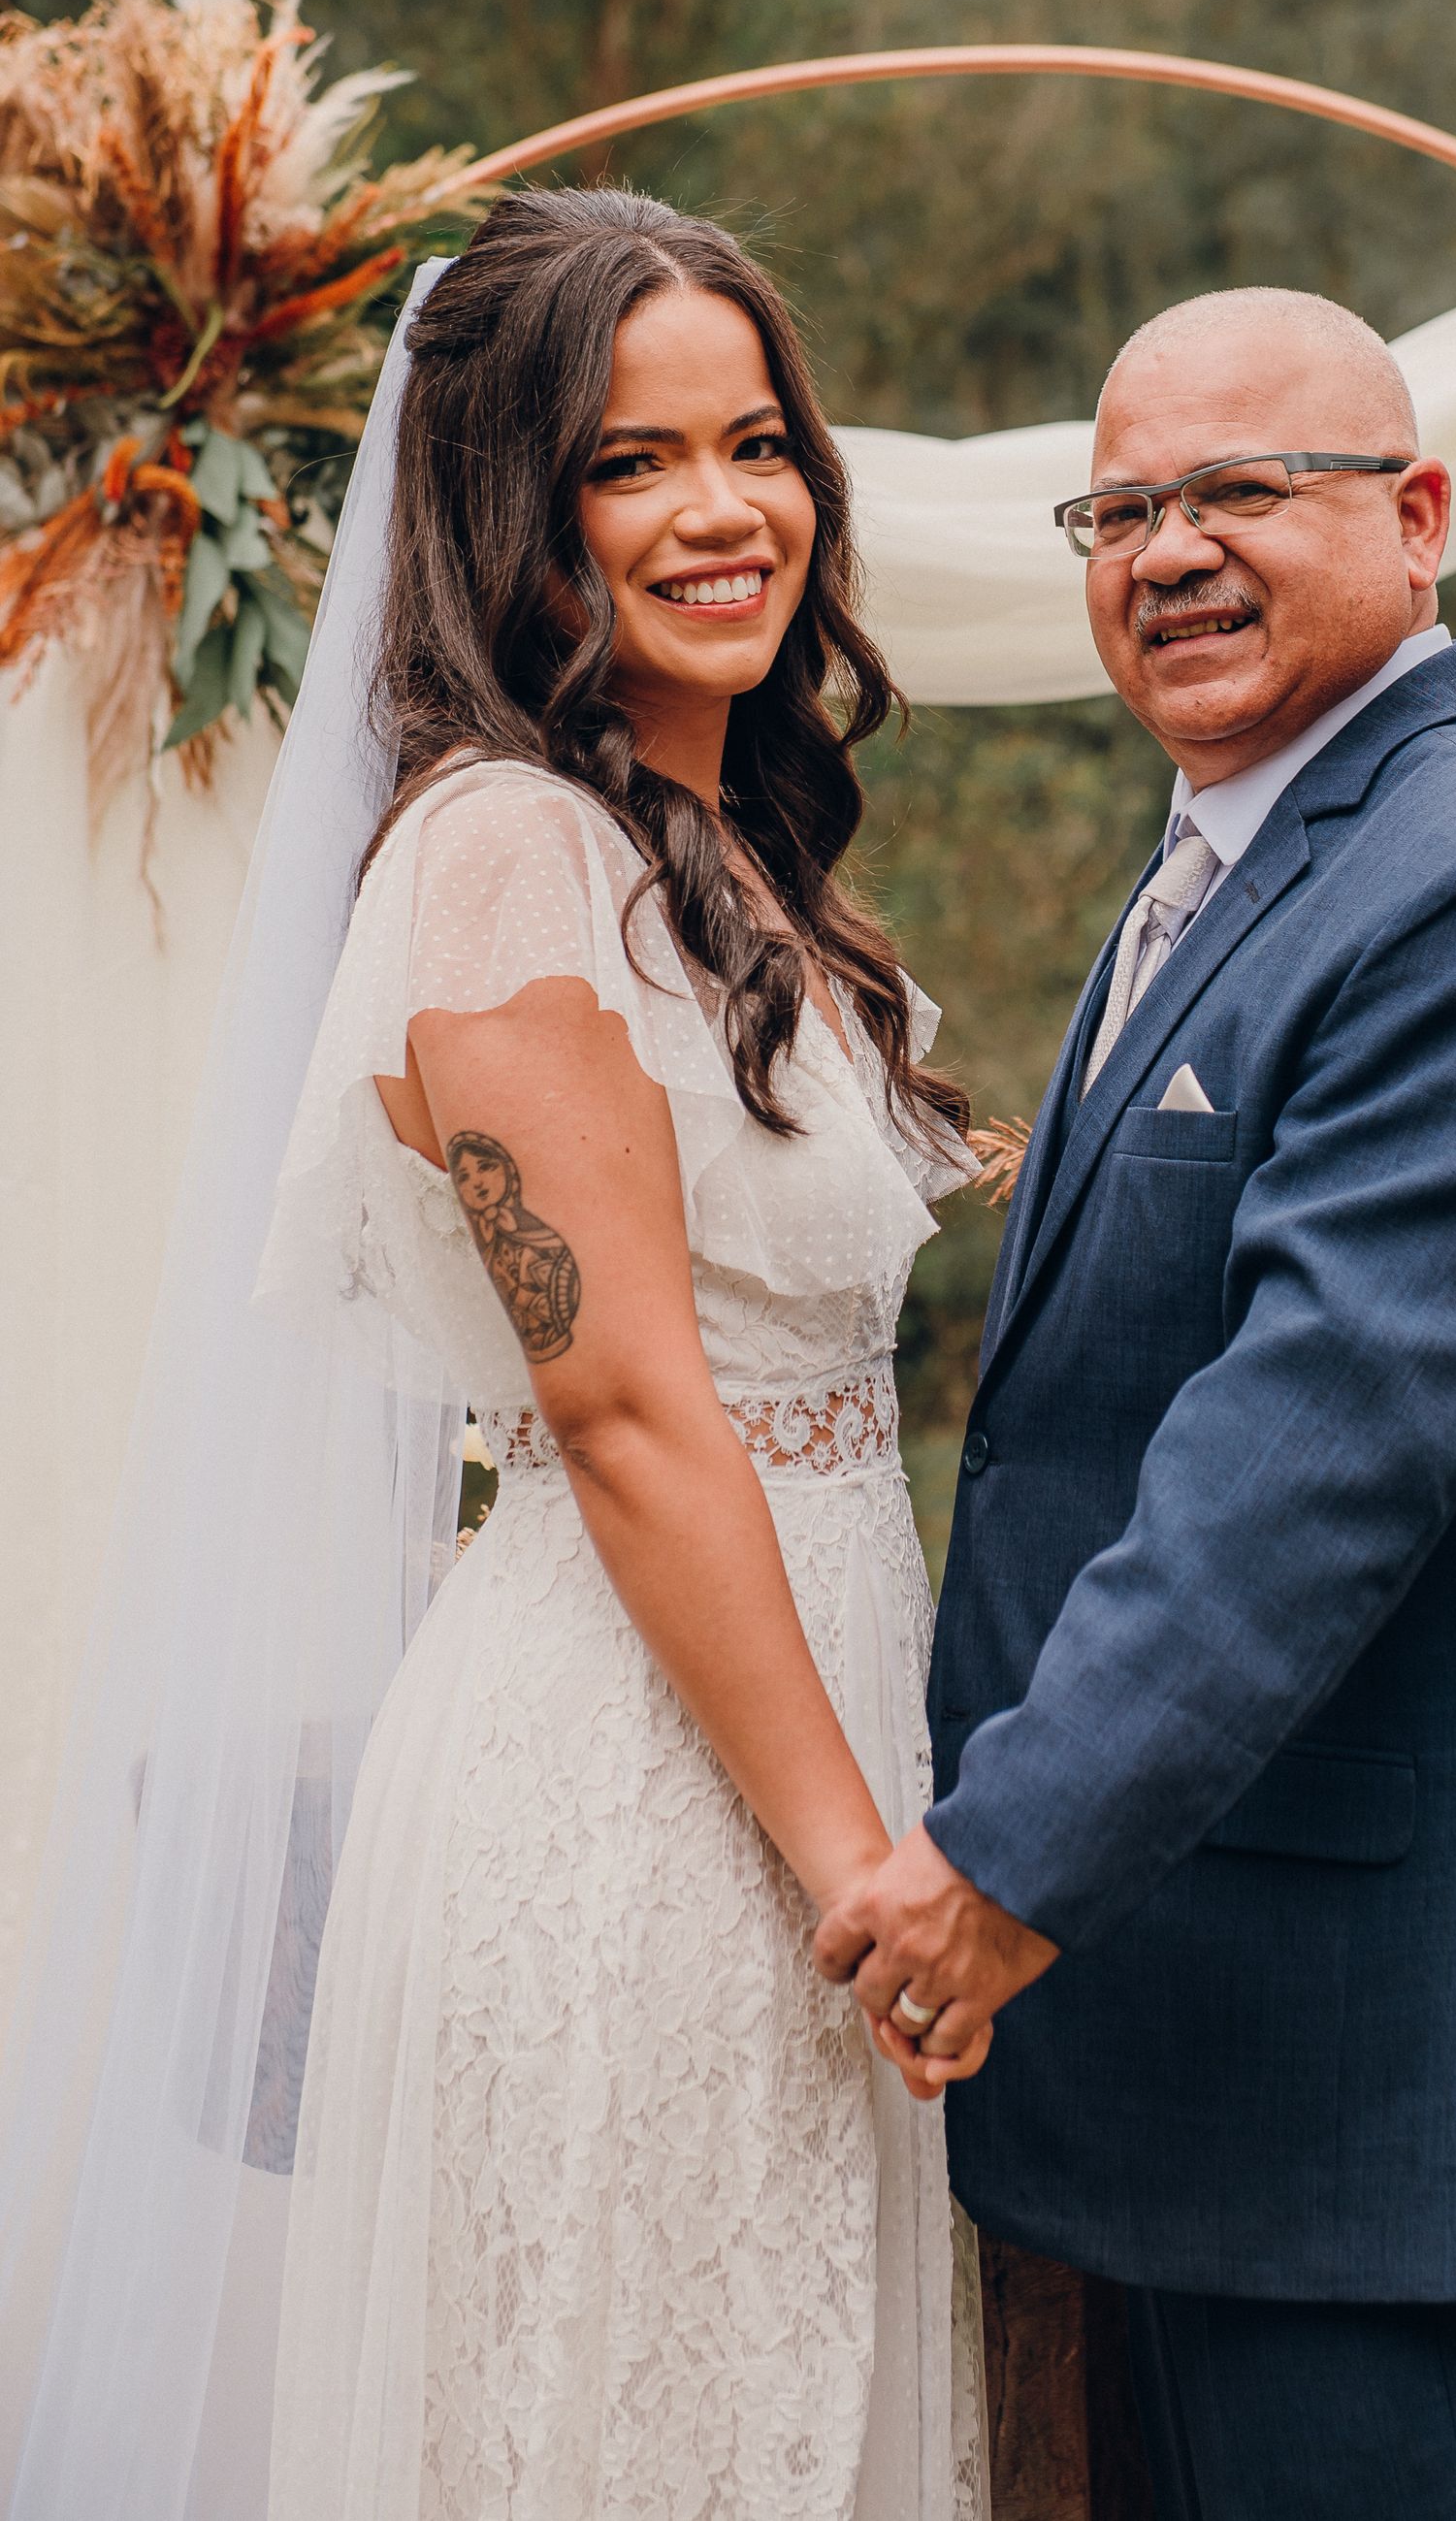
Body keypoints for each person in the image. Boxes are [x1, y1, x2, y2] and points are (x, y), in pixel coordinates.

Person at [817, 287, 1456, 2519]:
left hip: (1399, 2106)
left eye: (1245, 490)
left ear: (1420, 520)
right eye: (1120, 504)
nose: (1169, 550)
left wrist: (997, 1865)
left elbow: (1306, 1465)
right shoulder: (1227, 859)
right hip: (1209, 2072)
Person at [249, 189, 989, 2516]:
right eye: (629, 461)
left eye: (755, 443)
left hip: (804, 1710)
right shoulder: (503, 856)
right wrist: (857, 1864)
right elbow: (625, 1397)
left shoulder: (720, 848)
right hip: (652, 1780)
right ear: (507, 505)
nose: (721, 510)